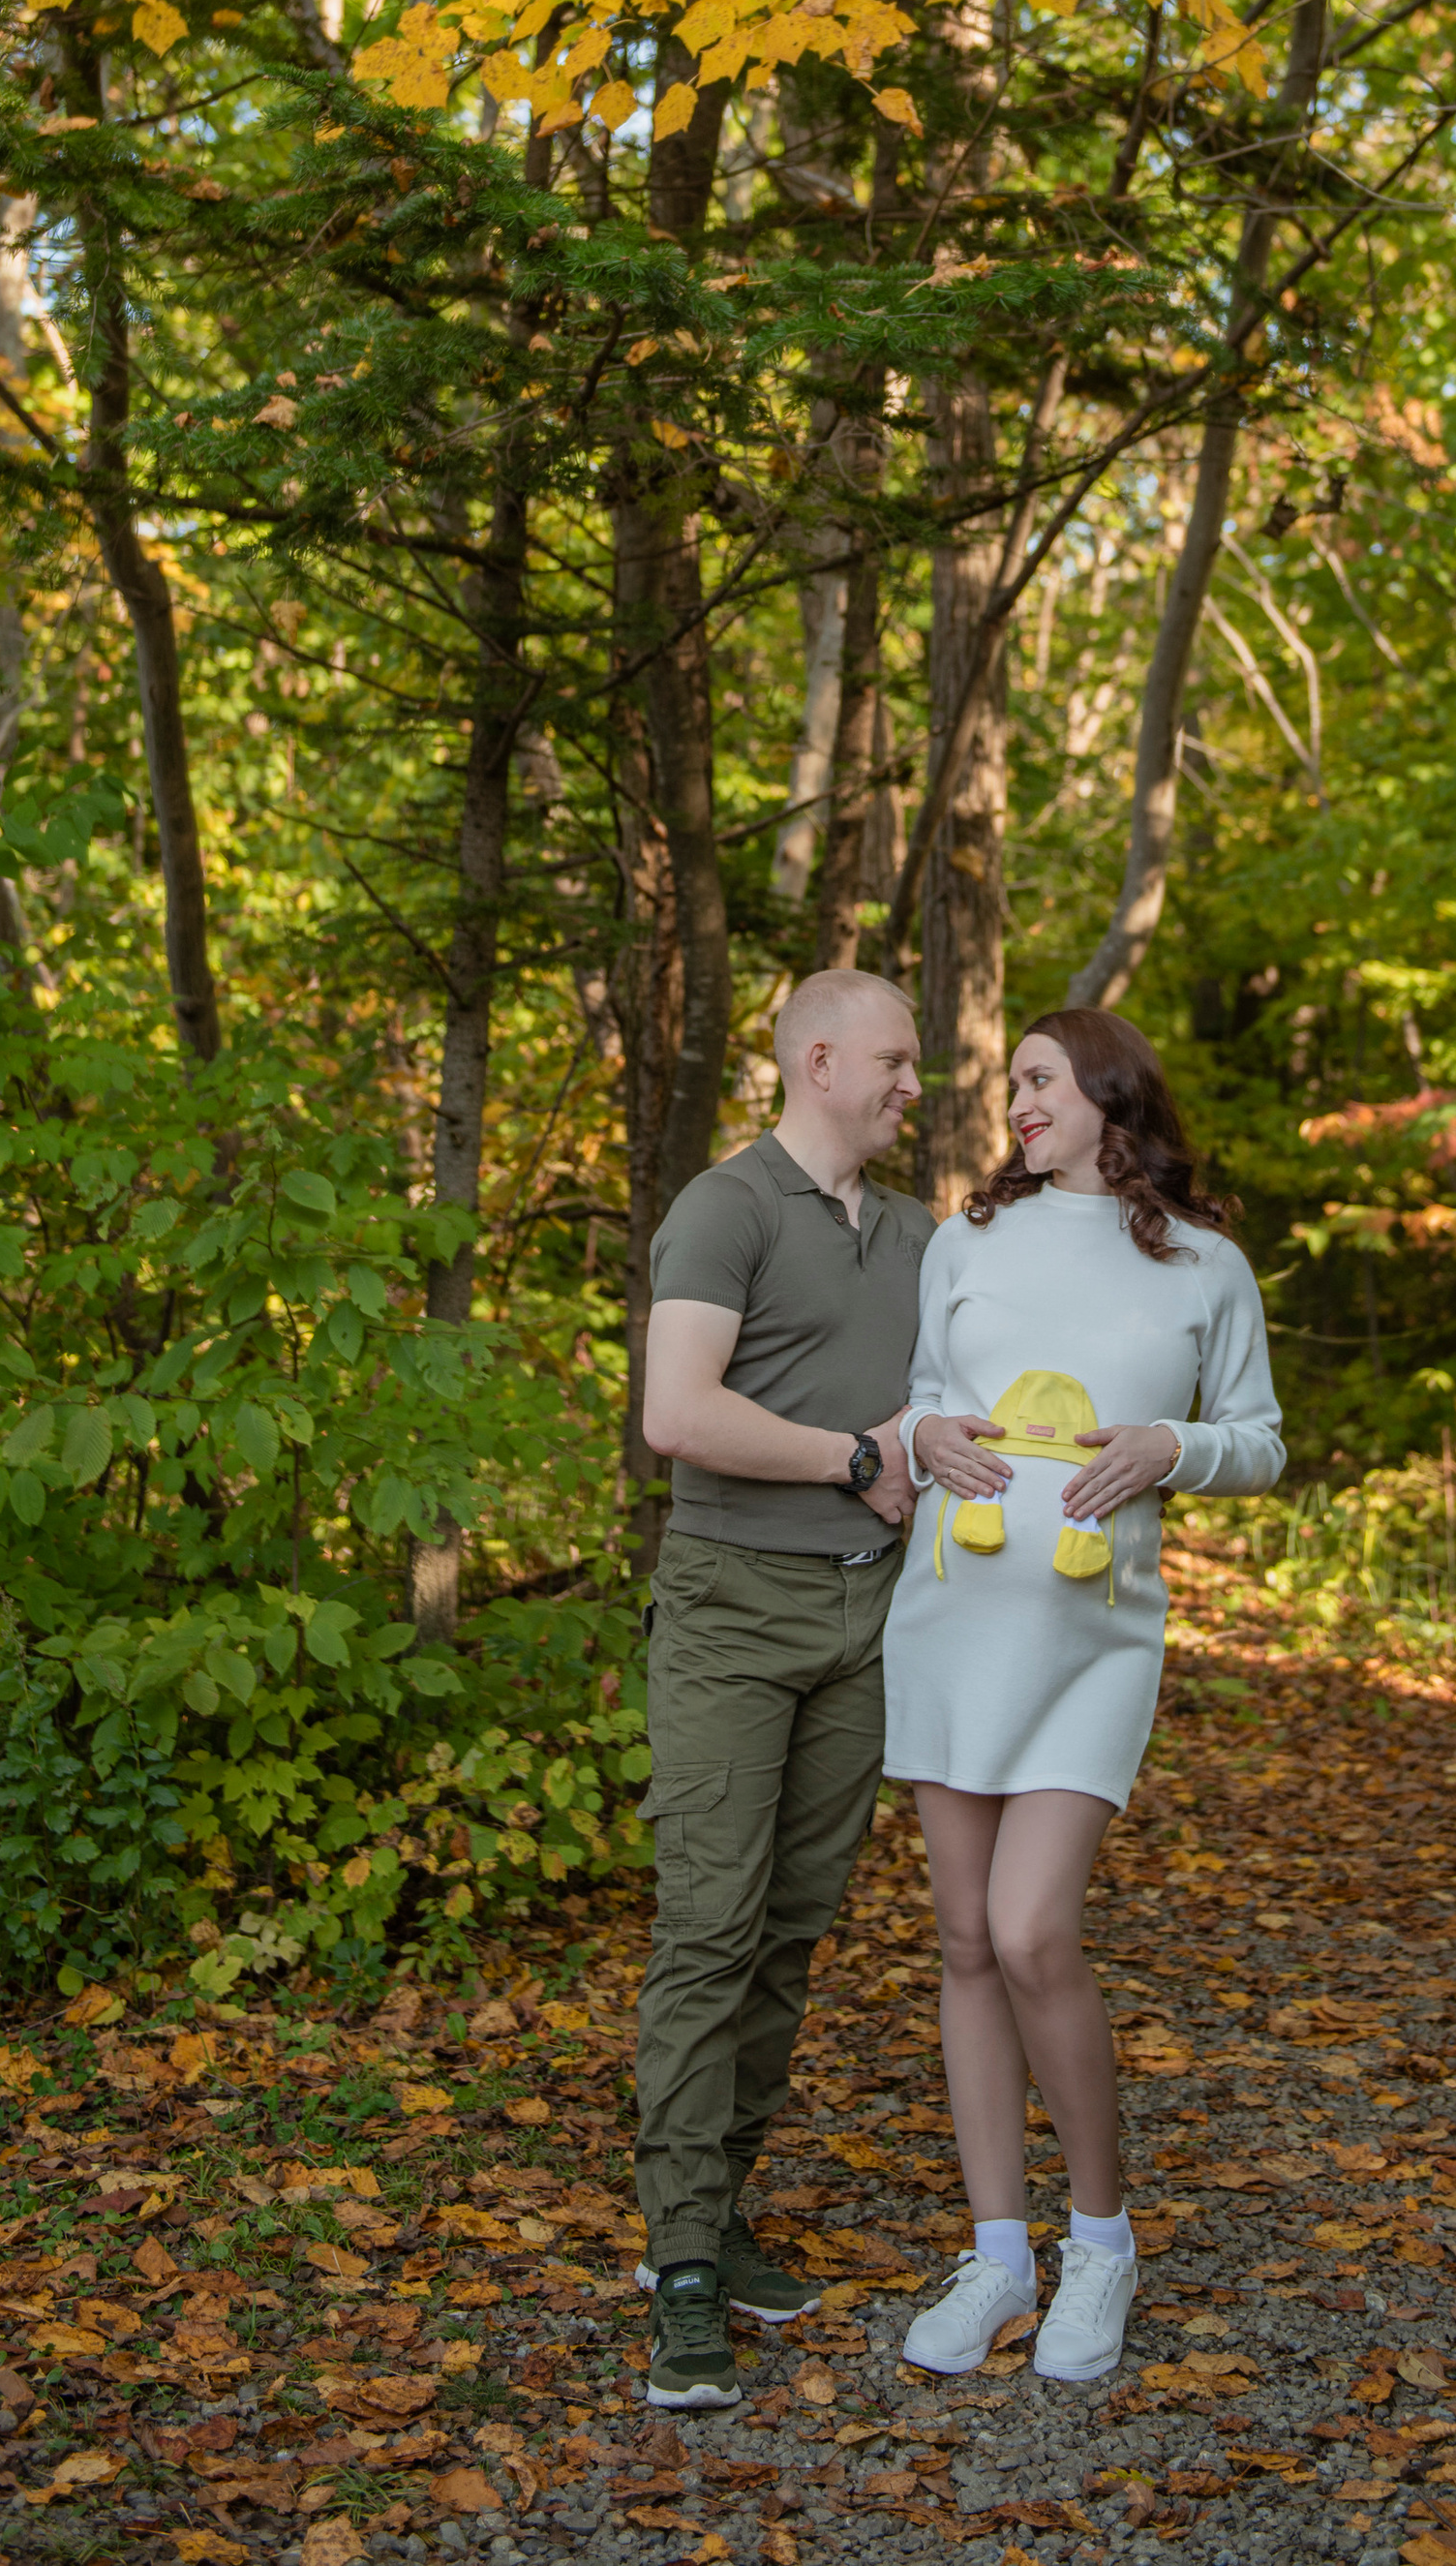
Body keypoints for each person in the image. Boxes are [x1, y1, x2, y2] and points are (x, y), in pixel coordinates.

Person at [882, 1005, 1285, 2387]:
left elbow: (1262, 1441)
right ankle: (998, 2259)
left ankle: (1100, 2242)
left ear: (1113, 1097)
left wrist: (1177, 1446)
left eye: (1039, 1081)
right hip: (949, 1614)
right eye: (1010, 1088)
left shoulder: (1207, 1270)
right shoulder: (966, 1241)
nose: (1017, 1106)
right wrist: (923, 1434)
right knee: (960, 1938)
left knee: (1032, 1929)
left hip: (1095, 1635)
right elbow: (928, 1406)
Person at [630, 965, 929, 2413]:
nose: (913, 1087)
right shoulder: (726, 1207)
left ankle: (722, 2204)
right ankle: (681, 2257)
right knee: (711, 1925)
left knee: (794, 1933)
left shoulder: (925, 1234)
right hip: (730, 1609)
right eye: (896, 1062)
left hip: (871, 1622)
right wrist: (854, 1458)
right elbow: (676, 1413)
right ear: (819, 1060)